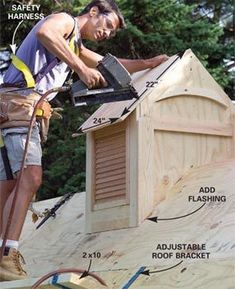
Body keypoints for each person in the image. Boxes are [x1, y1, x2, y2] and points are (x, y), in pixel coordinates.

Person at [0, 0, 169, 282]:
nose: (108, 33)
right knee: (30, 176)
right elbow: (46, 33)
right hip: (20, 108)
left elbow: (108, 65)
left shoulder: (75, 44)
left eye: (112, 32)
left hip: (13, 110)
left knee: (8, 186)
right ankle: (8, 256)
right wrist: (79, 68)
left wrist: (149, 64)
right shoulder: (65, 21)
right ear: (93, 12)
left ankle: (2, 253)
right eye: (108, 25)